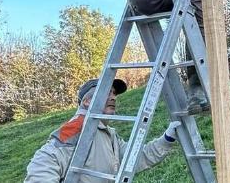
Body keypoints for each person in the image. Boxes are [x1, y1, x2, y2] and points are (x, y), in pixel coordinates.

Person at [24, 78, 180, 182]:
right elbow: (42, 164)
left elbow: (136, 159)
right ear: (86, 102)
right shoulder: (77, 127)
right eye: (107, 92)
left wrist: (167, 139)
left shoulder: (109, 133)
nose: (113, 97)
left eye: (113, 93)